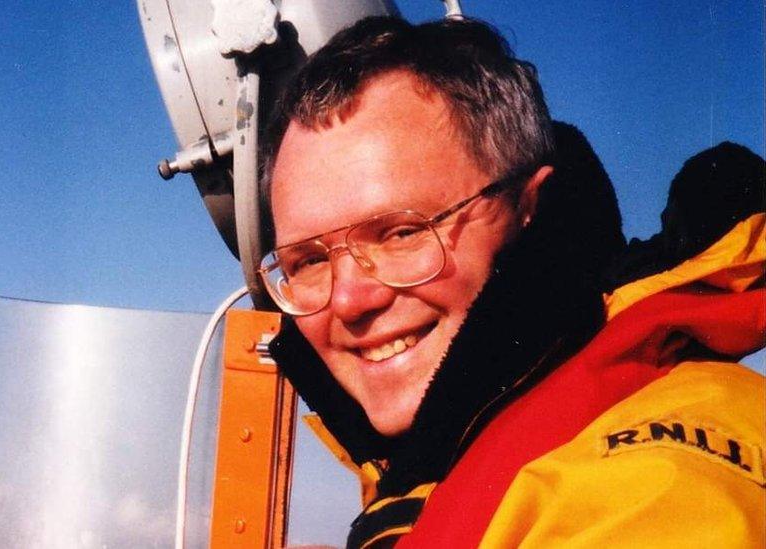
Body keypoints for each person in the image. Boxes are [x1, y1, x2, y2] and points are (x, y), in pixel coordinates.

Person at [257, 16, 766, 548]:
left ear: (529, 206)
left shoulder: (660, 482)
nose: (348, 300)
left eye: (402, 233)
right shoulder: (445, 460)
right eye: (308, 261)